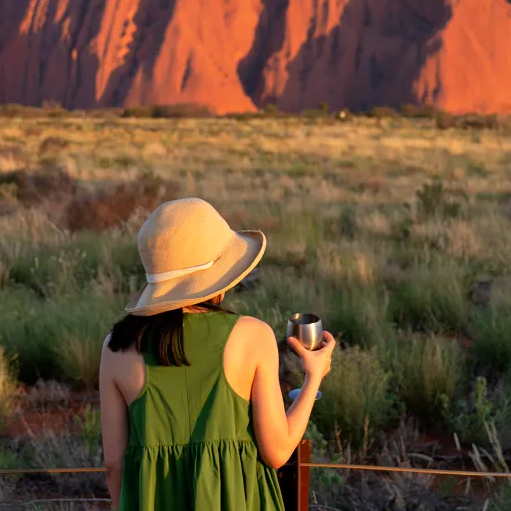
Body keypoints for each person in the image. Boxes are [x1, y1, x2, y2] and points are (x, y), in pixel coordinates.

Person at [99, 198, 337, 511]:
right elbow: (277, 451)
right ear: (220, 278)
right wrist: (313, 377)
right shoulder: (252, 335)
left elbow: (114, 465)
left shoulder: (116, 346)